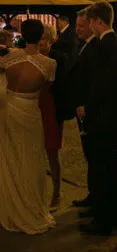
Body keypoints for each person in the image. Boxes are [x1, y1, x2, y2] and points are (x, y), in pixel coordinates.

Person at [78, 1, 117, 236]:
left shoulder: (103, 47)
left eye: (91, 21)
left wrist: (89, 110)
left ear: (99, 21)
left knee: (102, 169)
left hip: (101, 118)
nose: (89, 25)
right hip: (116, 115)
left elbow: (98, 88)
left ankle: (103, 221)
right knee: (111, 167)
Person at [0, 19, 56, 235]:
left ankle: (10, 205)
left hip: (10, 109)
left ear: (21, 33)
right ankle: (31, 207)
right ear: (41, 35)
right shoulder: (50, 64)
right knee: (31, 158)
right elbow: (45, 91)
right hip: (31, 111)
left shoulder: (9, 57)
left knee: (10, 157)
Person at [70, 7, 100, 209]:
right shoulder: (85, 45)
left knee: (94, 156)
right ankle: (93, 194)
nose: (77, 29)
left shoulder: (96, 48)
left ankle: (97, 198)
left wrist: (83, 103)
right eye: (76, 25)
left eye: (81, 25)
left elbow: (93, 82)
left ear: (91, 24)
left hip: (91, 111)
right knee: (89, 155)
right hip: (84, 109)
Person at [39, 24, 68, 212]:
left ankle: (57, 192)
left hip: (51, 107)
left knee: (51, 150)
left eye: (43, 42)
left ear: (51, 40)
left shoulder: (59, 58)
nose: (40, 45)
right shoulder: (30, 56)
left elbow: (62, 86)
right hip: (34, 105)